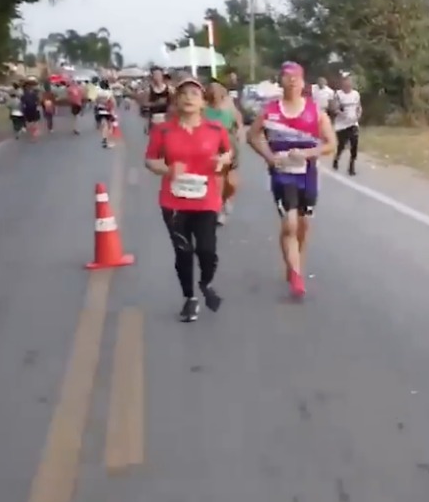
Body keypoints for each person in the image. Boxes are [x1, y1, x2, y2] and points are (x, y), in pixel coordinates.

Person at [144, 76, 233, 322]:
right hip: (174, 202)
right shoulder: (162, 129)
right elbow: (150, 160)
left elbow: (228, 152)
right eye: (183, 93)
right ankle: (190, 298)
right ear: (176, 99)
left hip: (206, 199)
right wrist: (168, 169)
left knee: (206, 250)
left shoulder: (215, 129)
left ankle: (205, 283)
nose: (188, 98)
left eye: (194, 94)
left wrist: (222, 161)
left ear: (203, 101)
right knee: (183, 251)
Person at [247, 62, 337, 299]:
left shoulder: (315, 111)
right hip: (281, 173)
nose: (292, 81)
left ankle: (296, 262)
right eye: (287, 77)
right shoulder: (270, 110)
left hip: (307, 174)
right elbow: (252, 136)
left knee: (304, 225)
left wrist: (307, 154)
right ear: (281, 81)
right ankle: (296, 275)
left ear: (303, 82)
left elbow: (331, 143)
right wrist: (269, 156)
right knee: (290, 223)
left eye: (296, 77)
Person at [203, 81, 243, 225]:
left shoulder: (229, 105)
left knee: (231, 183)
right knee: (217, 182)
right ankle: (218, 209)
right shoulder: (203, 109)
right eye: (211, 91)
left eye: (217, 91)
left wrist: (239, 133)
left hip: (230, 146)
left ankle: (226, 199)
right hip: (212, 148)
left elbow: (238, 122)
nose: (215, 95)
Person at [329, 73, 361, 175]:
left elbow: (359, 106)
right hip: (341, 125)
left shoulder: (356, 94)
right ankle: (336, 159)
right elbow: (333, 108)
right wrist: (341, 114)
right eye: (345, 82)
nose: (348, 84)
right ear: (342, 84)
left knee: (354, 144)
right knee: (342, 145)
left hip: (353, 123)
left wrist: (359, 114)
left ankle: (351, 166)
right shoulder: (338, 94)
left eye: (349, 82)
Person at [143, 67, 173, 134]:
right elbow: (145, 104)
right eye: (154, 75)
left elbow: (174, 103)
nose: (157, 77)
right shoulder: (149, 90)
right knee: (156, 141)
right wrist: (156, 103)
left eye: (158, 74)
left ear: (162, 76)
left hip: (166, 117)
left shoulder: (169, 89)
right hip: (155, 118)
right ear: (152, 77)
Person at [94, 80, 117, 148]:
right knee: (108, 126)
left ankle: (104, 139)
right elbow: (113, 102)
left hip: (100, 110)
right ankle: (106, 141)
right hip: (107, 110)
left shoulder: (98, 92)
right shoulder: (109, 93)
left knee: (104, 125)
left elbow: (95, 101)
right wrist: (114, 110)